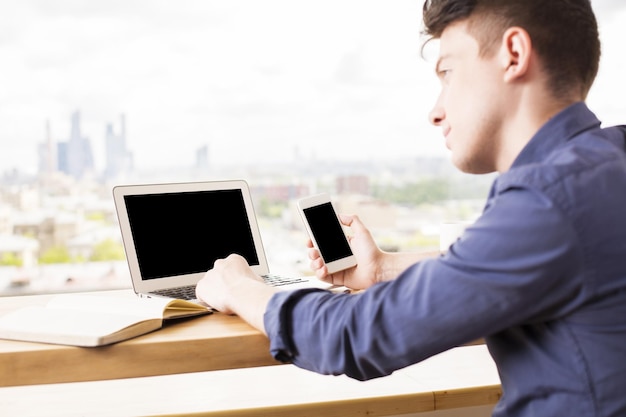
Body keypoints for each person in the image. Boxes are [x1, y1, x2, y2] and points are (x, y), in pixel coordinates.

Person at [196, 0, 626, 415]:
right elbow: (523, 263)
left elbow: (357, 335)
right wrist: (383, 269)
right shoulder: (607, 164)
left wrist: (239, 287)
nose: (436, 111)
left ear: (513, 54)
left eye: (448, 74)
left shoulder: (549, 200)